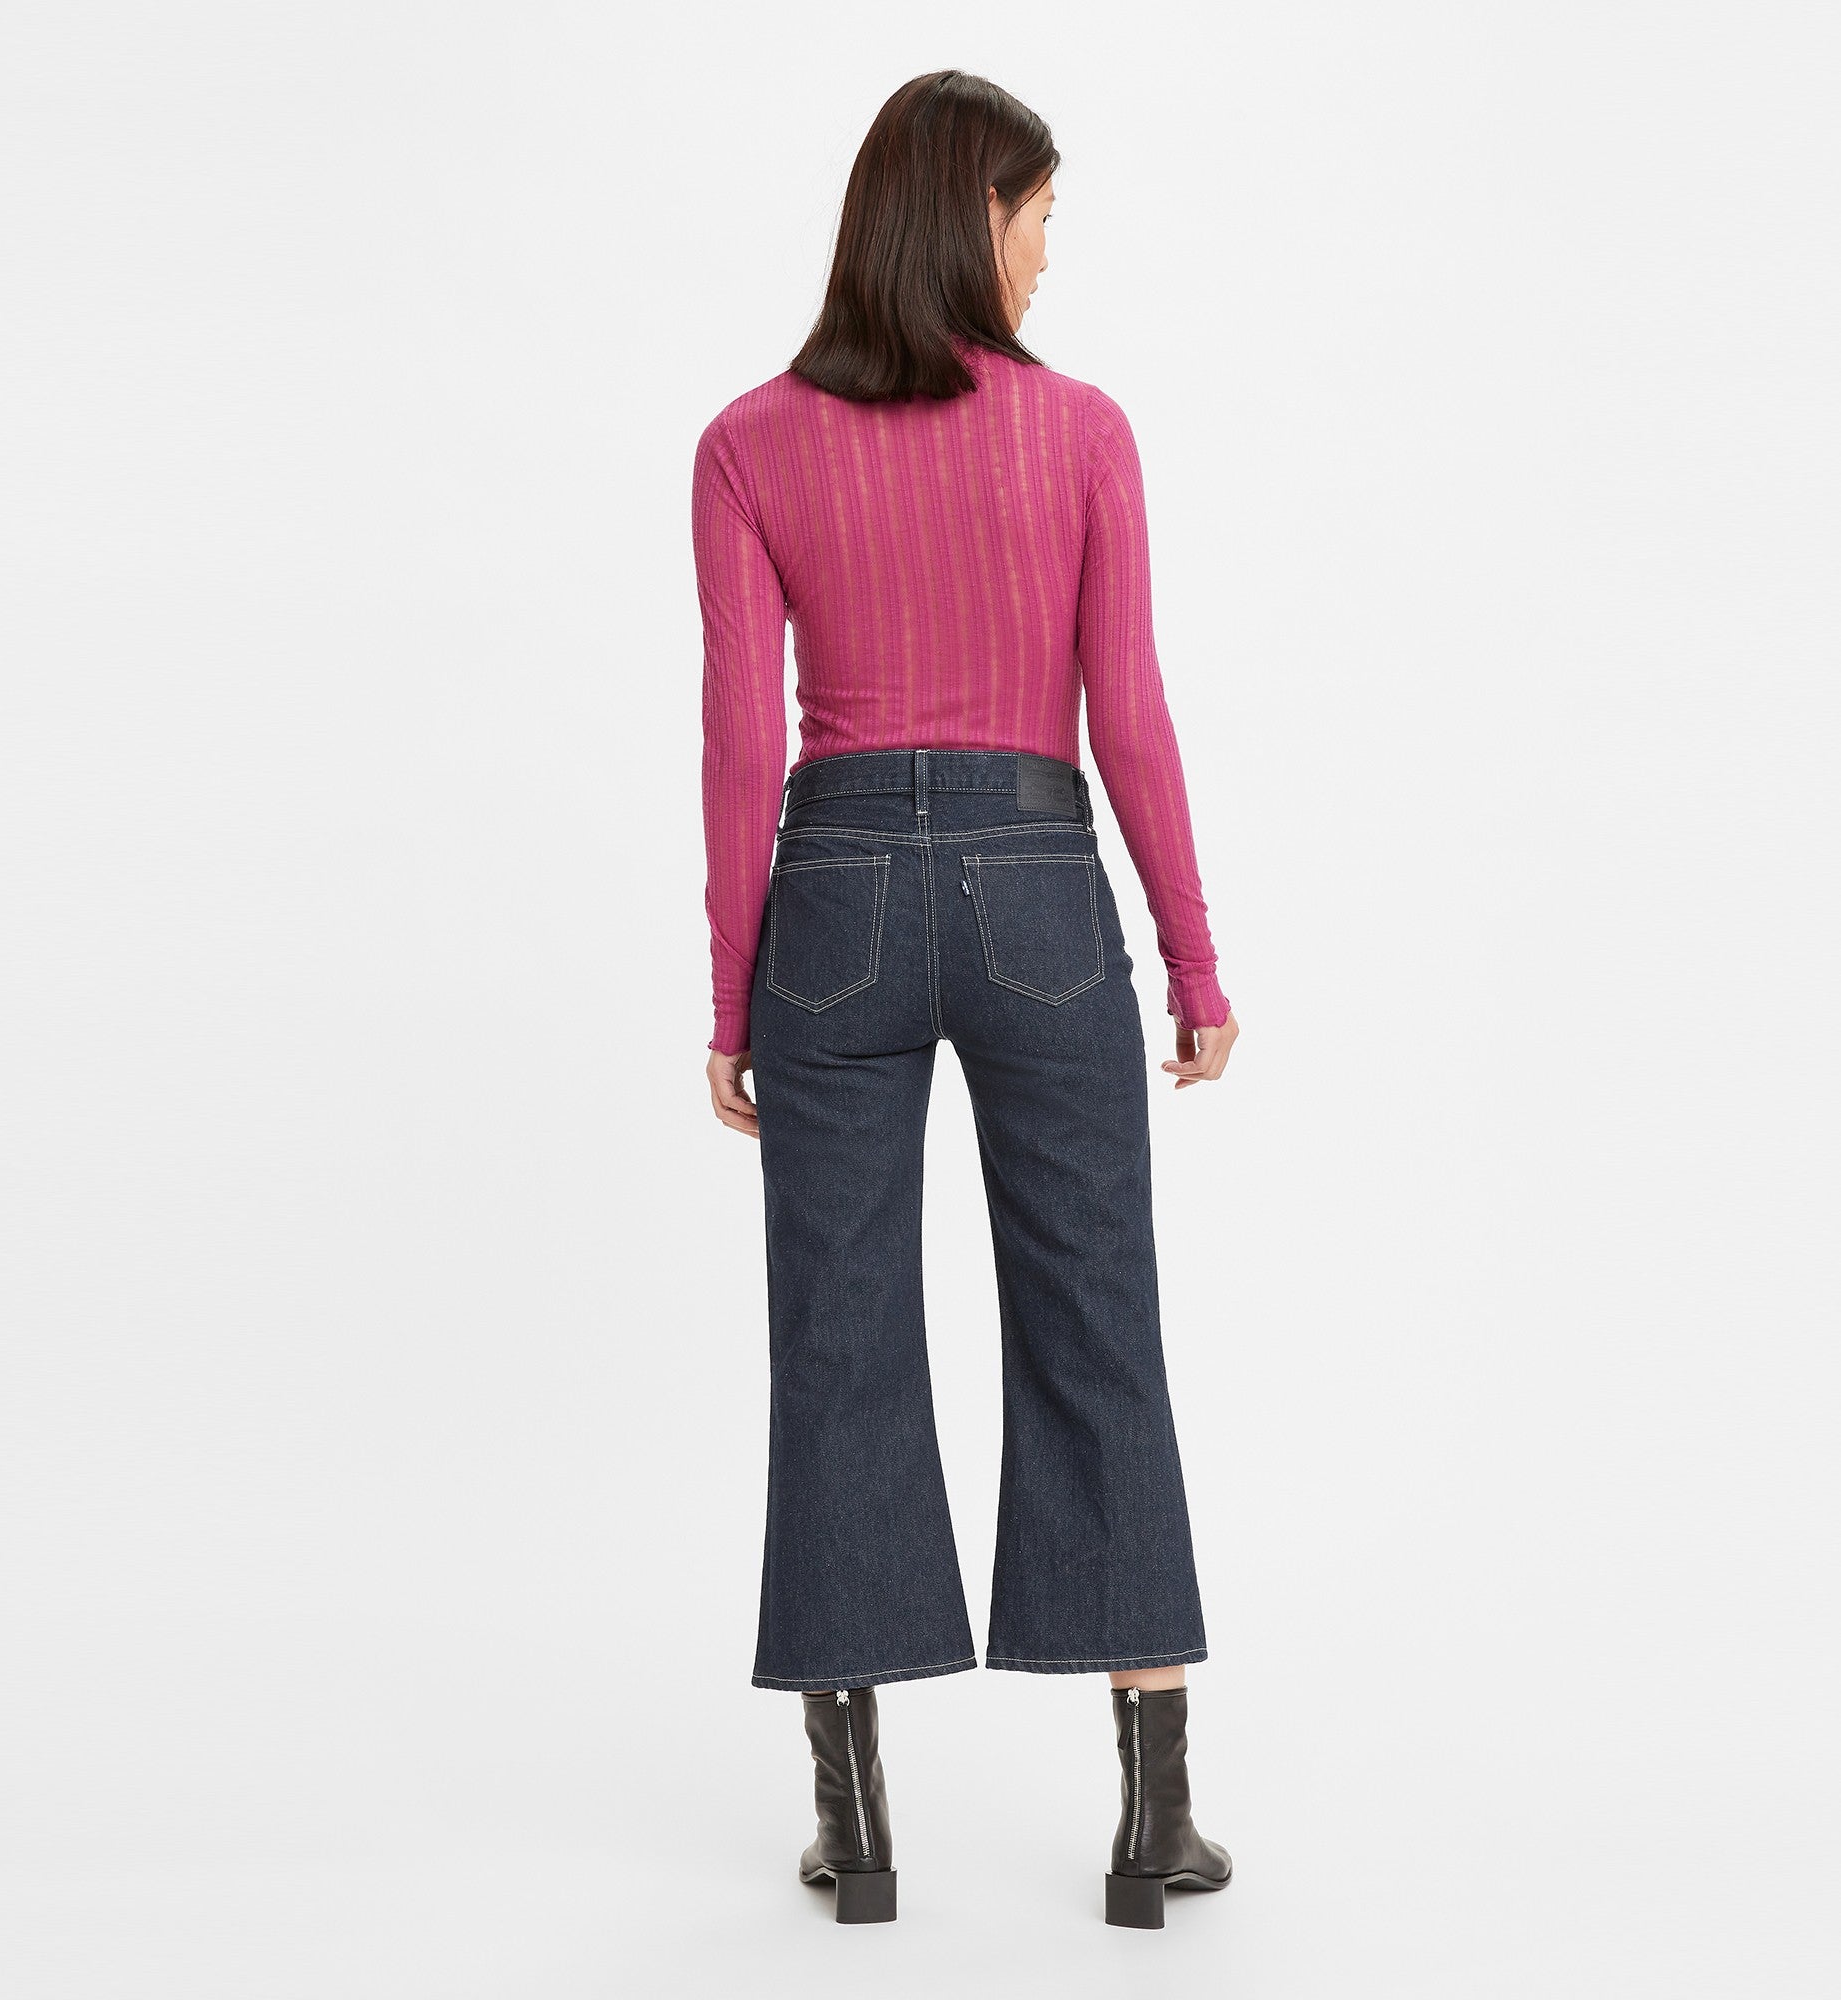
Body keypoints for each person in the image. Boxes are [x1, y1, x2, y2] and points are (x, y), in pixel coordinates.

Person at [693, 70, 1237, 1930]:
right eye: (1039, 217)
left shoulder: (749, 444)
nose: (1049, 253)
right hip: (1036, 887)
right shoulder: (1081, 431)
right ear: (972, 215)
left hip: (834, 894)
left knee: (835, 1333)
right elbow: (1127, 707)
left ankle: (855, 1825)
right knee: (1095, 1314)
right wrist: (1192, 953)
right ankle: (1153, 1819)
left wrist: (732, 988)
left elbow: (735, 740)